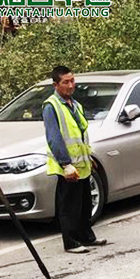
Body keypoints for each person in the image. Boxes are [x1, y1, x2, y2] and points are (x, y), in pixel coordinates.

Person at [43, 65, 107, 254]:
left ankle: (86, 236)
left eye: (72, 81)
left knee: (85, 204)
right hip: (68, 166)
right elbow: (54, 138)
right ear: (56, 85)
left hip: (82, 164)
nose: (71, 85)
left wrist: (89, 157)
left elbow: (80, 134)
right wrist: (65, 164)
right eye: (66, 82)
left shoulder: (75, 104)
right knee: (70, 206)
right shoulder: (51, 106)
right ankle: (71, 242)